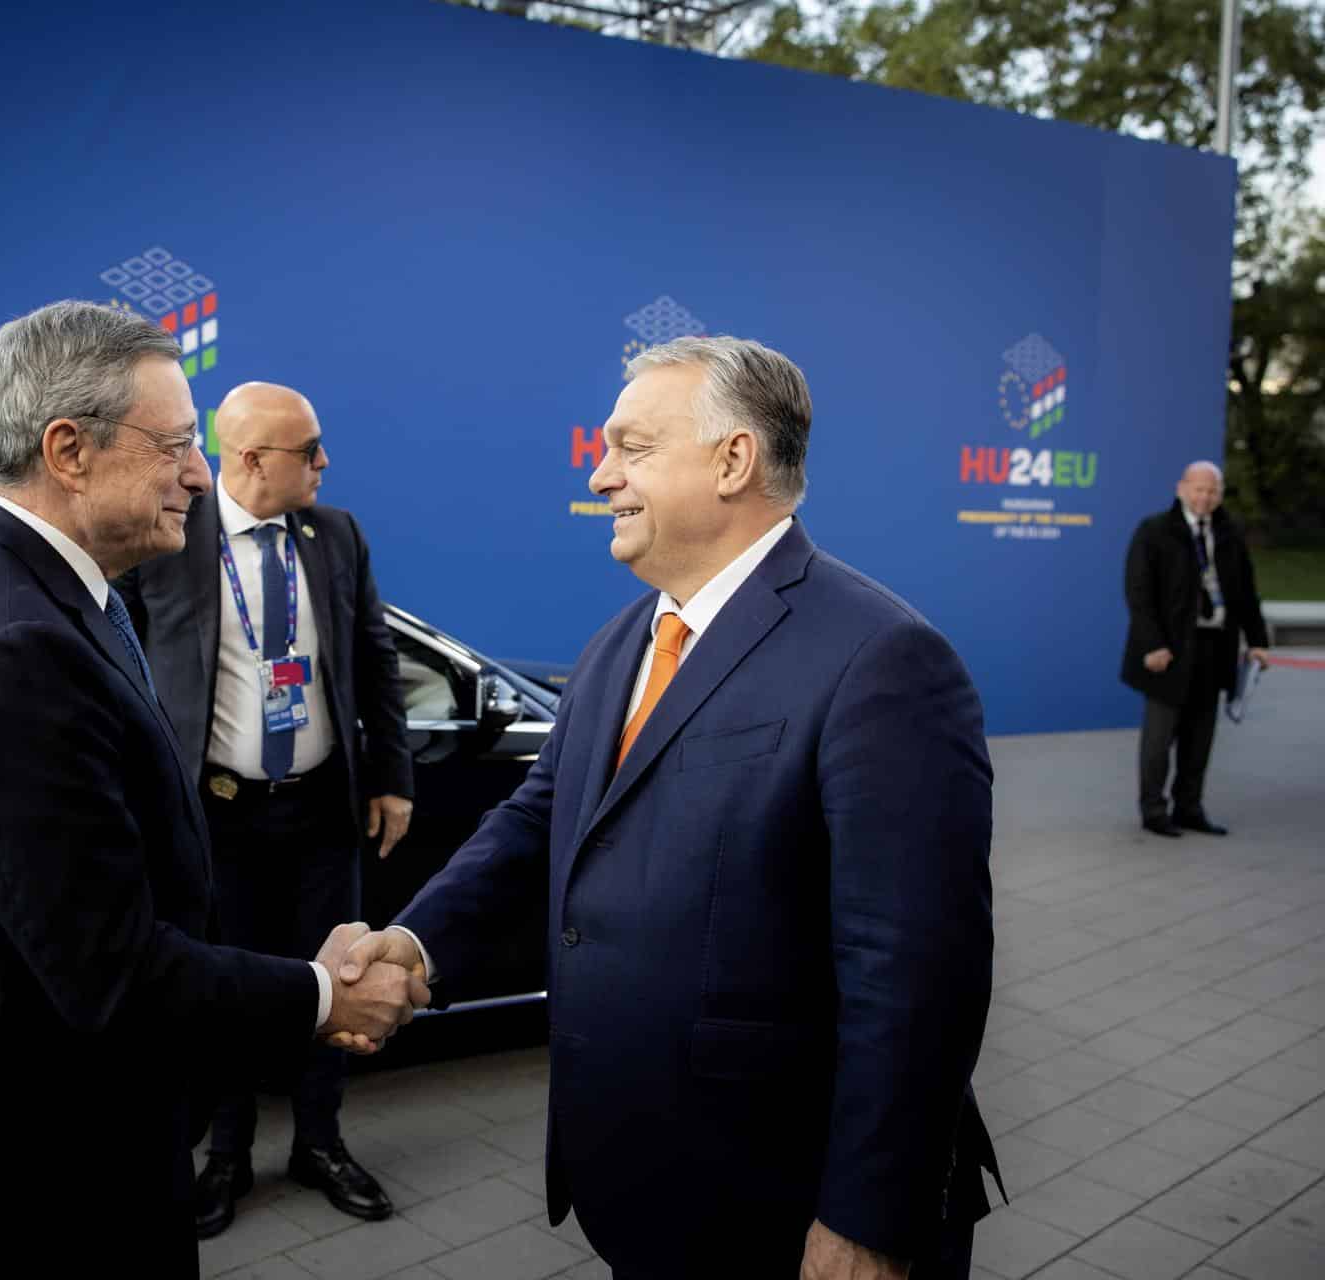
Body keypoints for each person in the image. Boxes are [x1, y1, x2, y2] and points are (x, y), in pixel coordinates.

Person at [338, 336, 999, 1278]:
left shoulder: (883, 660)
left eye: (632, 447)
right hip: (644, 1183)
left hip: (792, 1202)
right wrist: (414, 942)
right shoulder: (624, 641)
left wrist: (868, 1218)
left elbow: (915, 973)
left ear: (734, 460)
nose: (602, 474)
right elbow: (537, 821)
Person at [0, 302, 424, 1279]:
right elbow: (113, 974)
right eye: (174, 445)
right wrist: (325, 988)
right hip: (44, 1196)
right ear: (68, 448)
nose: (200, 473)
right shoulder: (18, 646)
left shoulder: (13, 588)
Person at [114, 381, 415, 1238]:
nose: (324, 463)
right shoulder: (170, 537)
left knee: (340, 976)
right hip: (218, 819)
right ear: (249, 460)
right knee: (223, 989)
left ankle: (319, 1142)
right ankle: (227, 1156)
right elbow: (124, 674)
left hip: (323, 809)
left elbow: (375, 656)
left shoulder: (335, 535)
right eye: (308, 450)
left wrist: (391, 776)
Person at [1120, 460, 1271, 837]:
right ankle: (1154, 810)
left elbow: (1246, 594)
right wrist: (1153, 644)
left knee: (1200, 737)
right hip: (1169, 653)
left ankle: (1189, 806)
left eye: (1212, 491)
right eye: (1198, 489)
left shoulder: (1229, 535)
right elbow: (1139, 594)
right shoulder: (1155, 532)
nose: (1205, 497)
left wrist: (1257, 642)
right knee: (1159, 738)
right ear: (1181, 488)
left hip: (1214, 649)